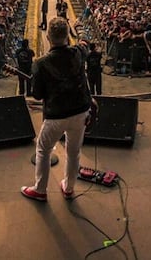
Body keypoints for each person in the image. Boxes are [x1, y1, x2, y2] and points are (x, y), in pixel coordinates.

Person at [22, 17, 96, 203]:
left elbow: (37, 96)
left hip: (56, 115)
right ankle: (69, 188)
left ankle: (40, 190)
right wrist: (79, 28)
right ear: (66, 36)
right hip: (80, 112)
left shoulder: (40, 63)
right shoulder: (78, 52)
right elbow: (85, 41)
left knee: (43, 150)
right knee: (74, 152)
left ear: (48, 37)